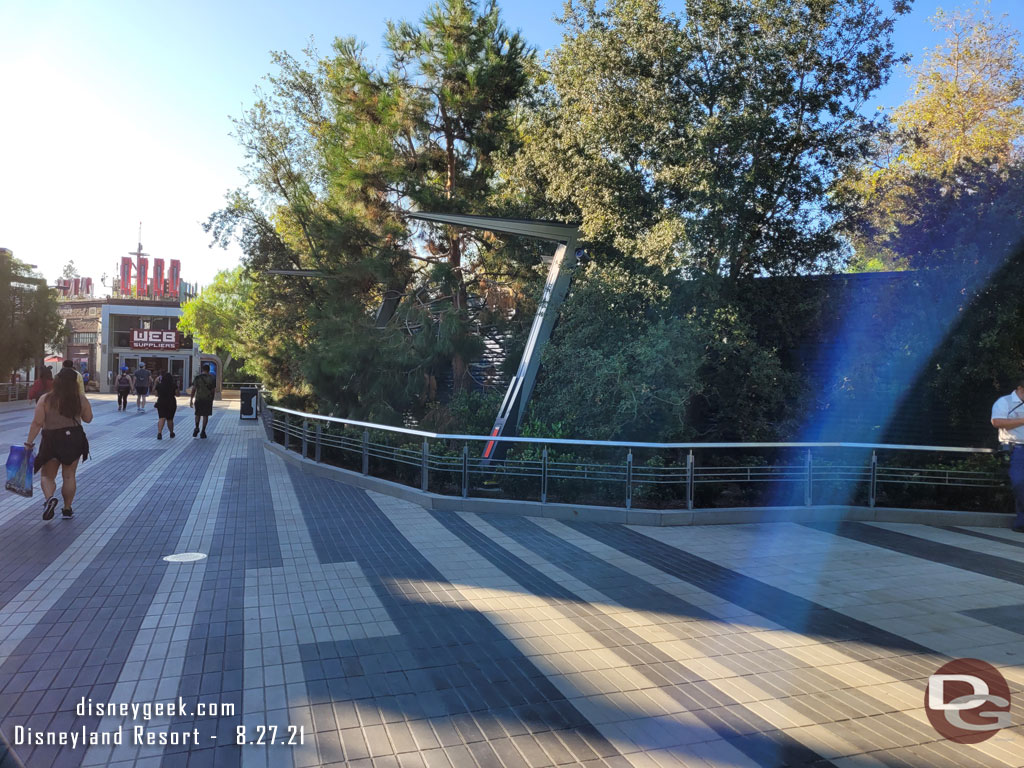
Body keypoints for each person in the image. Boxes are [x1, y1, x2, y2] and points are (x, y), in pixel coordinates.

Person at [24, 368, 92, 520]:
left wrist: (29, 443)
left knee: (47, 476)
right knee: (69, 476)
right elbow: (88, 418)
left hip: (51, 439)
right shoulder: (80, 399)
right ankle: (67, 509)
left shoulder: (45, 399)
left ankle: (50, 499)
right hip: (73, 439)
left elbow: (37, 423)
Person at [992, 378, 1024, 533]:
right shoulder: (1005, 402)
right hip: (1016, 448)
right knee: (1019, 483)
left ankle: (1021, 522)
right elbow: (997, 422)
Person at [189, 363, 216, 438]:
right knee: (205, 415)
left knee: (197, 414)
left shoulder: (197, 378)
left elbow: (194, 389)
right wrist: (212, 399)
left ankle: (197, 427)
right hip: (207, 399)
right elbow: (213, 390)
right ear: (209, 370)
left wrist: (191, 399)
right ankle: (203, 431)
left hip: (199, 399)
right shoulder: (212, 378)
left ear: (202, 369)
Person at [154, 369, 179, 439]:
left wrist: (156, 384)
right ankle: (171, 432)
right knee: (170, 419)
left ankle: (159, 433)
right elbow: (178, 394)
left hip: (161, 402)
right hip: (171, 403)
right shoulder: (173, 385)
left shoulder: (159, 385)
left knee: (161, 417)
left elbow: (155, 394)